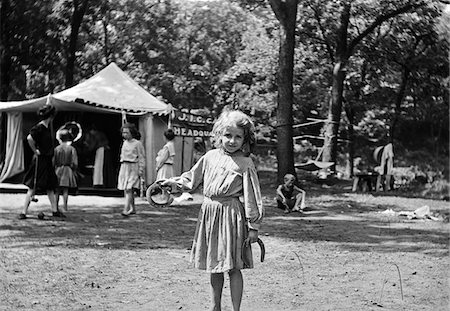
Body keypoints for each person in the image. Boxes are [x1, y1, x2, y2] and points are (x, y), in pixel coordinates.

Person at [160, 110, 264, 311]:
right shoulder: (209, 157)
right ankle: (215, 306)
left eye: (238, 137)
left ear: (245, 139)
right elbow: (190, 179)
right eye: (228, 136)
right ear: (218, 135)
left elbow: (253, 196)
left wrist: (254, 226)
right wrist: (171, 183)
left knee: (233, 265)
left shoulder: (245, 162)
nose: (232, 141)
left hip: (231, 215)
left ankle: (236, 309)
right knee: (214, 264)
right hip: (209, 213)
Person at [19, 104, 62, 219]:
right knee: (32, 186)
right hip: (40, 160)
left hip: (47, 160)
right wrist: (35, 151)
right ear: (51, 116)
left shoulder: (48, 128)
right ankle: (23, 212)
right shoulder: (39, 127)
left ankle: (54, 210)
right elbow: (29, 138)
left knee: (50, 186)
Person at [117, 123, 145, 216]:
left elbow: (141, 157)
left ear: (132, 133)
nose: (124, 134)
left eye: (127, 133)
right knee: (127, 189)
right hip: (125, 166)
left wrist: (141, 169)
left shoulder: (137, 143)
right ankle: (133, 209)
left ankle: (126, 209)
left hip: (134, 167)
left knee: (129, 188)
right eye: (123, 133)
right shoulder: (124, 143)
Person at [54, 129, 78, 212]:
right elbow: (75, 162)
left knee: (57, 190)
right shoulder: (71, 149)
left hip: (58, 169)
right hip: (67, 170)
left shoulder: (56, 149)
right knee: (65, 190)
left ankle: (55, 207)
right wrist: (74, 169)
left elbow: (53, 161)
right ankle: (65, 207)